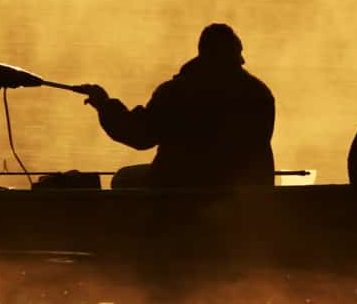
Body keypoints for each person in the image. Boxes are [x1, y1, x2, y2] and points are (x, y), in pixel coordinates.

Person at [77, 24, 275, 188]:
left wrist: (104, 105)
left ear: (203, 54)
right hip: (245, 192)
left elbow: (139, 135)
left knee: (122, 178)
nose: (243, 60)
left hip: (181, 187)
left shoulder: (177, 92)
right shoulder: (260, 93)